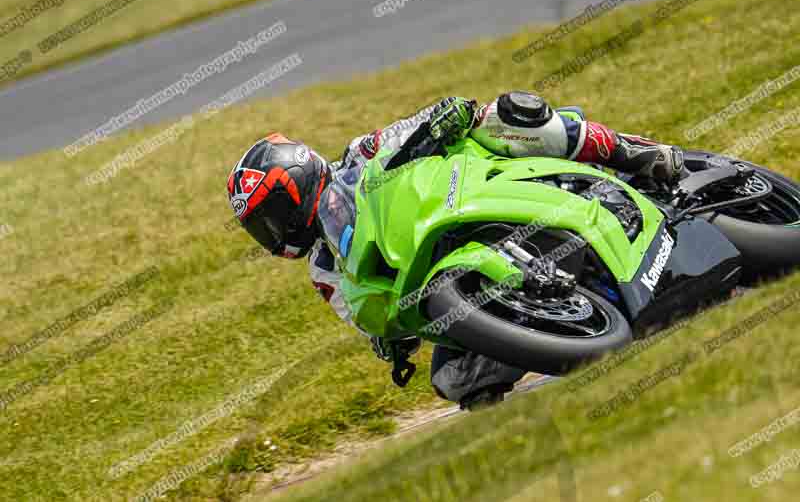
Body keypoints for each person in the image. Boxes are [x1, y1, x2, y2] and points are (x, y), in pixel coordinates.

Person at [226, 92, 684, 409]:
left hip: (465, 187)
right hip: (440, 272)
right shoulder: (324, 270)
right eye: (259, 230)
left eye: (271, 217)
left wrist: (445, 116)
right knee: (453, 379)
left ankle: (633, 153)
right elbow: (366, 316)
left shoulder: (359, 157)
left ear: (298, 180)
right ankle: (563, 328)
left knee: (504, 116)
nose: (271, 235)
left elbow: (405, 130)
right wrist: (389, 342)